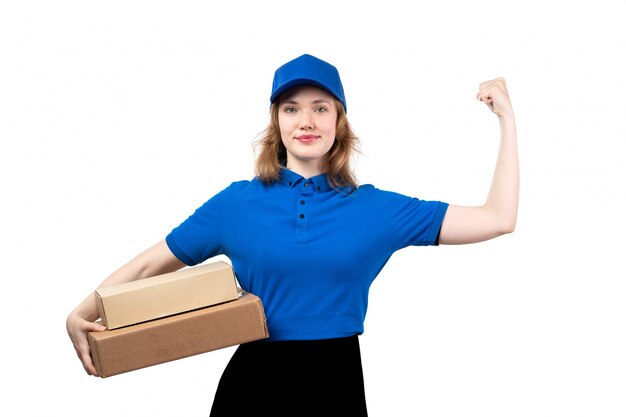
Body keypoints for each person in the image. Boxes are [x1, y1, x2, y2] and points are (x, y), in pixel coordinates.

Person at [66, 53, 518, 416]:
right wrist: (81, 312)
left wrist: (507, 119)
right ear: (277, 122)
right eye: (292, 108)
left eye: (320, 108)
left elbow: (498, 218)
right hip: (254, 386)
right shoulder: (237, 203)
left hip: (336, 385)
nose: (306, 120)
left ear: (339, 122)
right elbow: (153, 262)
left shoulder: (377, 209)